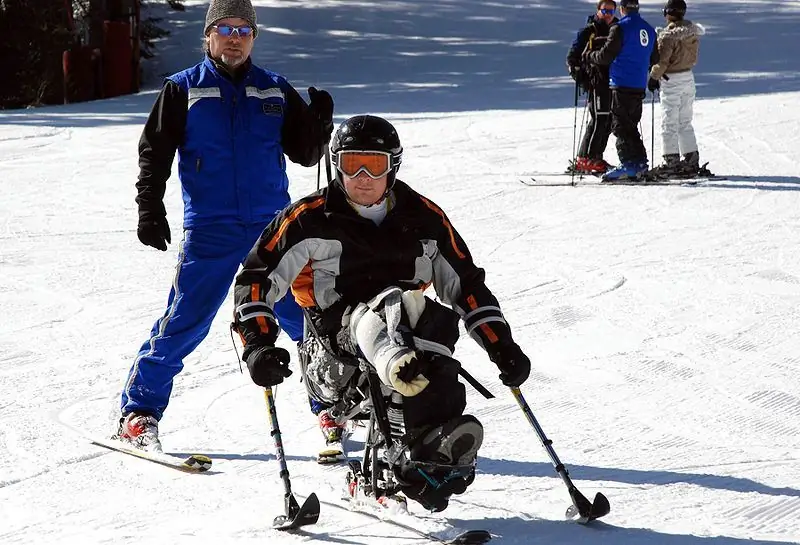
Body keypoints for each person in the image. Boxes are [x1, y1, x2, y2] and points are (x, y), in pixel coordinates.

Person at [231, 115, 532, 511]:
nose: (361, 177)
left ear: (393, 166)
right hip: (334, 351)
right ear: (335, 164)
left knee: (431, 319)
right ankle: (409, 434)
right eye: (351, 163)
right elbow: (255, 278)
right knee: (390, 306)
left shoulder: (423, 219)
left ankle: (437, 452)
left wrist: (501, 345)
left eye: (373, 165)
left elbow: (466, 286)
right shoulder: (308, 218)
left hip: (409, 334)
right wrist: (257, 344)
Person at [117, 0, 334, 451]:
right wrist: (149, 208)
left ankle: (330, 406)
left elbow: (306, 155)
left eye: (243, 29)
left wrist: (318, 127)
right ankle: (138, 414)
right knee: (186, 320)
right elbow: (153, 154)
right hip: (211, 227)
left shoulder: (274, 89)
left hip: (273, 230)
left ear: (253, 36)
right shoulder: (183, 90)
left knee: (305, 317)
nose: (234, 38)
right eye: (224, 28)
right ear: (208, 36)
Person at [586, 0, 658, 180]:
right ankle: (639, 161)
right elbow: (655, 57)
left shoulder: (619, 28)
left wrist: (590, 55)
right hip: (638, 84)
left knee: (620, 126)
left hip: (621, 82)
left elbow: (605, 56)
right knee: (630, 125)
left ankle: (628, 164)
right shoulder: (648, 29)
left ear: (622, 8)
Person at [649, 0, 706, 176]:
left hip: (671, 79)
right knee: (684, 120)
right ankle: (691, 158)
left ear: (668, 12)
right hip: (688, 78)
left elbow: (663, 62)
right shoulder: (692, 32)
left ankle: (671, 160)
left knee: (669, 121)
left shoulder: (668, 36)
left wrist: (653, 77)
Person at [566, 0, 618, 174]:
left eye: (611, 11)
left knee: (607, 120)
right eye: (605, 11)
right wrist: (581, 77)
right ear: (598, 11)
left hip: (613, 81)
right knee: (600, 118)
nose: (608, 15)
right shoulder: (589, 31)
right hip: (596, 82)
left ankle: (591, 157)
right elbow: (572, 57)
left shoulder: (616, 29)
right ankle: (589, 158)